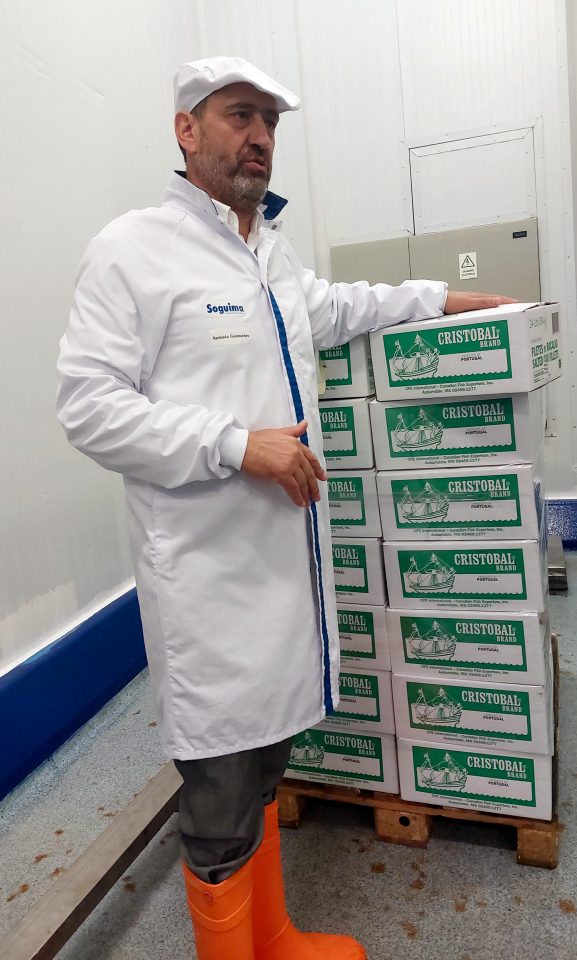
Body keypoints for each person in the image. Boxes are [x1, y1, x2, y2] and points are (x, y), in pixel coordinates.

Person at [57, 56, 516, 960]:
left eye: (269, 121)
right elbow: (88, 406)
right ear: (186, 129)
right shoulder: (132, 250)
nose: (259, 136)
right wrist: (237, 443)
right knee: (222, 795)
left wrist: (441, 299)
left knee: (268, 763)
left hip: (282, 570)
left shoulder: (268, 249)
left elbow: (330, 308)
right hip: (209, 583)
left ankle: (271, 937)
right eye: (239, 115)